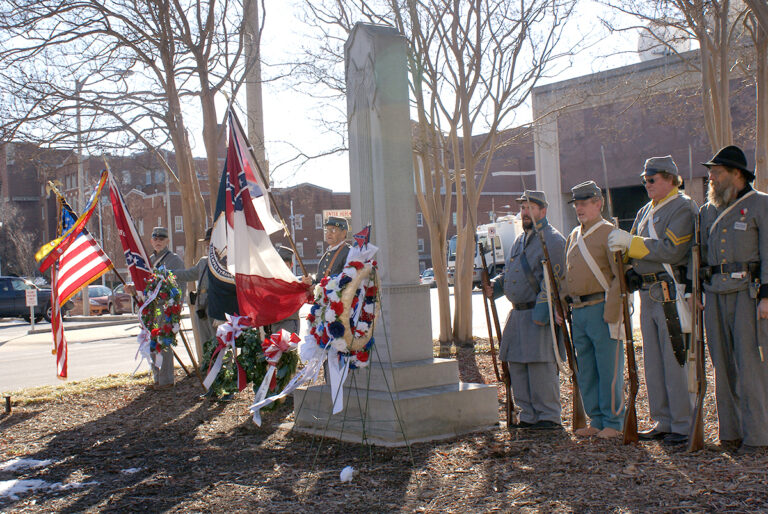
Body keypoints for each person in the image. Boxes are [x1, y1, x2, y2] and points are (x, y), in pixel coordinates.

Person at [608, 156, 696, 446]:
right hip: (647, 293)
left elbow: (672, 251)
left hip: (669, 291)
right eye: (645, 179)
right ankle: (663, 420)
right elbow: (634, 249)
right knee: (653, 362)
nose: (646, 184)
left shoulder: (683, 206)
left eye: (652, 179)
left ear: (671, 178)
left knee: (674, 359)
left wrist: (631, 245)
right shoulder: (646, 210)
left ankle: (683, 425)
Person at [697, 145, 768, 455]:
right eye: (711, 172)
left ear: (737, 174)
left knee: (751, 366)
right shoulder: (707, 210)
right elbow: (697, 255)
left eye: (717, 172)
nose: (711, 177)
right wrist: (694, 291)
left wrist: (766, 295)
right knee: (722, 365)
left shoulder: (761, 205)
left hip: (747, 294)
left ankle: (758, 436)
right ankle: (731, 433)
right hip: (713, 294)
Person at [483, 190, 565, 430]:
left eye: (530, 207)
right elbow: (510, 271)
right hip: (517, 314)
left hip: (538, 312)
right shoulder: (520, 239)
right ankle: (528, 415)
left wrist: (542, 314)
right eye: (522, 208)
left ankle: (548, 416)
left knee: (540, 365)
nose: (525, 212)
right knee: (517, 364)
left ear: (543, 210)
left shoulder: (553, 239)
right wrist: (496, 286)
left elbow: (555, 280)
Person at [562, 181, 624, 439]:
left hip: (602, 308)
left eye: (584, 203)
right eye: (576, 203)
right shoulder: (574, 235)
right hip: (579, 310)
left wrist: (612, 313)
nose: (579, 208)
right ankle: (596, 419)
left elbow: (619, 277)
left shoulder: (610, 233)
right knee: (587, 368)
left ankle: (614, 422)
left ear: (598, 203)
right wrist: (564, 303)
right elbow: (568, 275)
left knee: (609, 369)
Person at [148, 226, 185, 387]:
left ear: (167, 241)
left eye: (161, 239)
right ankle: (156, 377)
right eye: (155, 239)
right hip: (152, 309)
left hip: (167, 309)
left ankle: (166, 380)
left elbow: (181, 284)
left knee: (164, 344)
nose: (158, 242)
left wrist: (177, 306)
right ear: (151, 241)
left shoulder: (174, 260)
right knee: (152, 344)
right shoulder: (148, 260)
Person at [174, 227, 215, 360]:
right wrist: (168, 273)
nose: (208, 245)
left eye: (211, 242)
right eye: (207, 243)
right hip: (202, 306)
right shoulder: (203, 261)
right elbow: (188, 274)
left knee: (219, 342)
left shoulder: (225, 261)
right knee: (206, 341)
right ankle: (208, 370)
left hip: (218, 306)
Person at [300, 216, 351, 285]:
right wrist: (311, 282)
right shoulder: (328, 252)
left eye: (333, 230)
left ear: (344, 233)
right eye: (327, 230)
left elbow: (349, 284)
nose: (328, 234)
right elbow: (320, 282)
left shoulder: (349, 253)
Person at [271, 245, 302, 335]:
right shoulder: (273, 281)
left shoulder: (295, 283)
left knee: (288, 347)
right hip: (274, 323)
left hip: (289, 322)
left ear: (291, 265)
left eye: (285, 266)